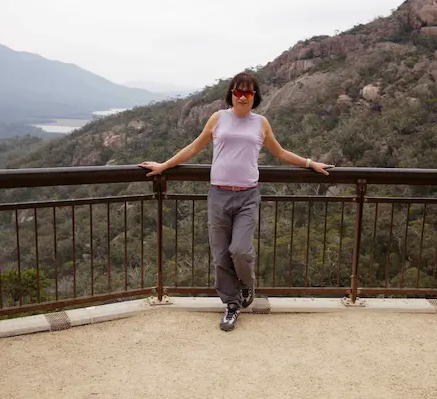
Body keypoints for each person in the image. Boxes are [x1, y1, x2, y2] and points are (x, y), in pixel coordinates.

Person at [139, 72, 334, 331]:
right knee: (220, 255)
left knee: (240, 250)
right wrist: (164, 166)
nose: (242, 97)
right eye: (238, 92)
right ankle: (231, 305)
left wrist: (311, 164)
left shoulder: (261, 123)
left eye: (248, 93)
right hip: (218, 195)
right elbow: (193, 147)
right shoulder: (218, 118)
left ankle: (247, 283)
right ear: (230, 94)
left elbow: (281, 153)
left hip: (247, 196)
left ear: (255, 96)